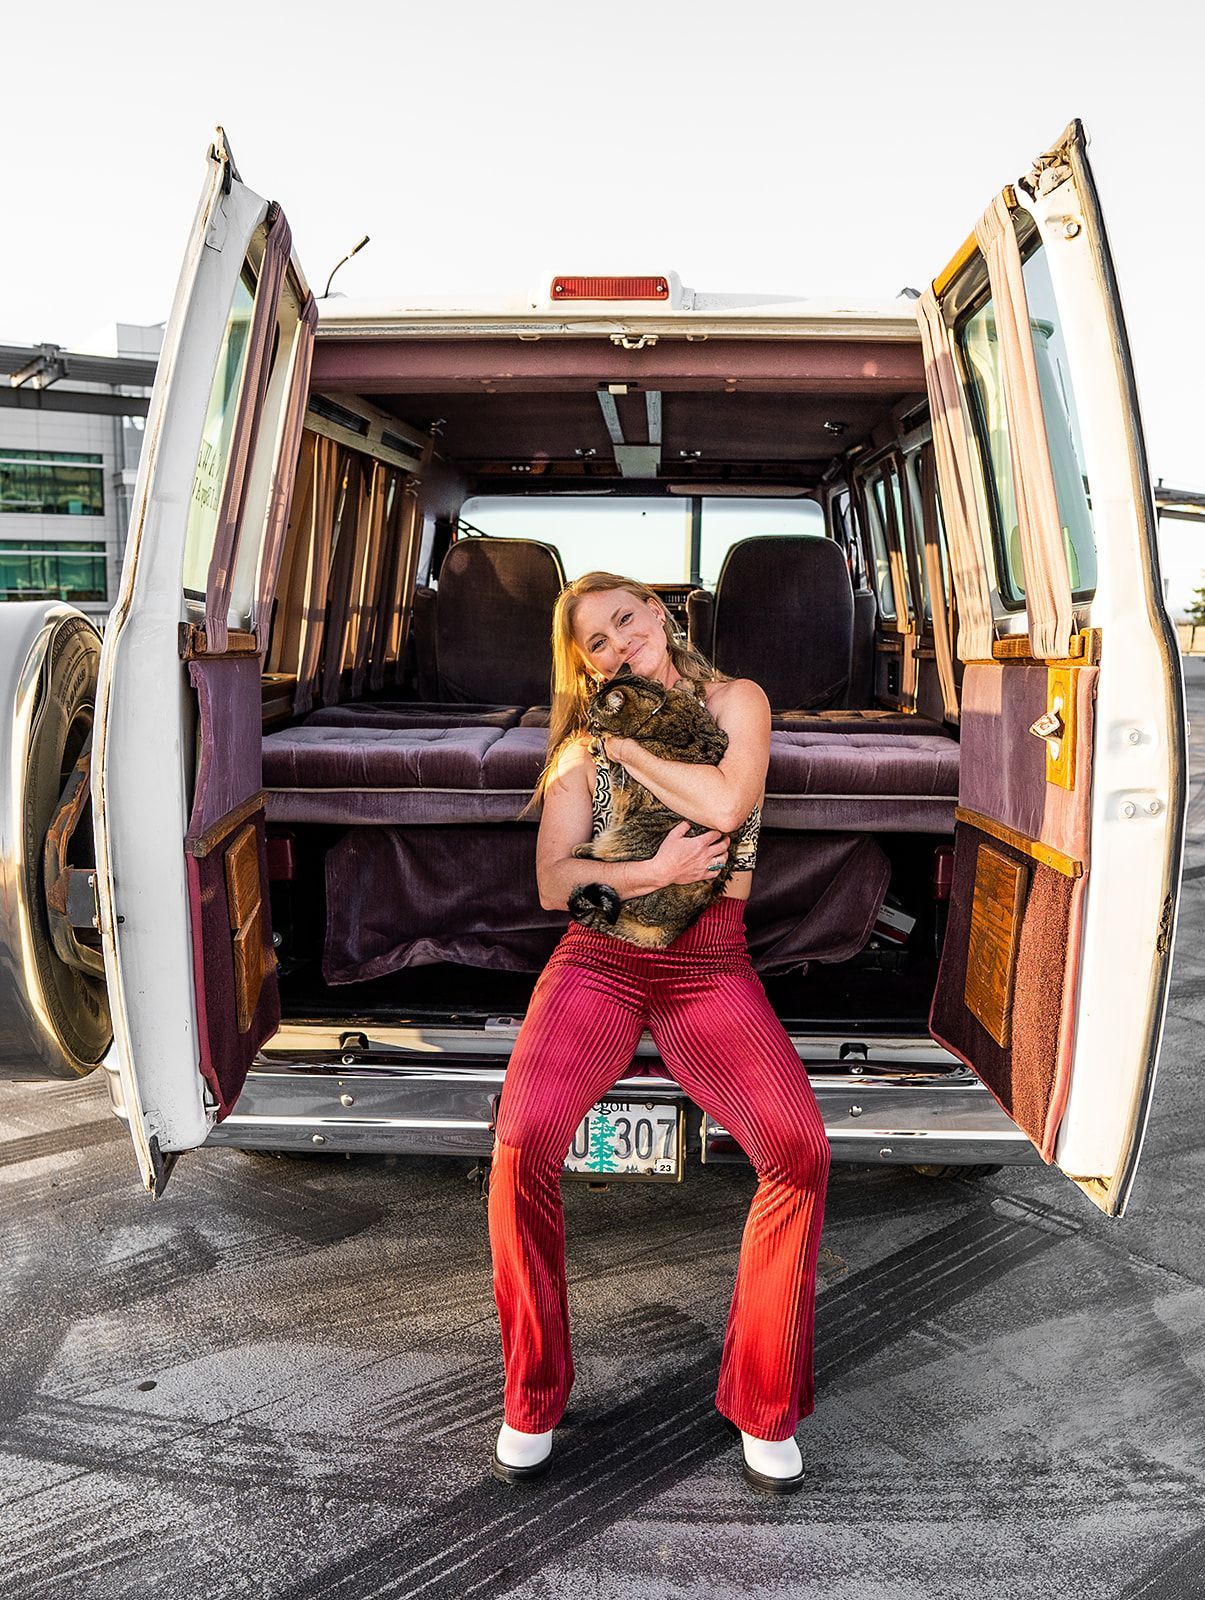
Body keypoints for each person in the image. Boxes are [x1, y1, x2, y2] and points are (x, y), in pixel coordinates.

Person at [487, 570, 831, 1495]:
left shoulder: (735, 701)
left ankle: (764, 1399)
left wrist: (624, 748)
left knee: (797, 1150)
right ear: (585, 667)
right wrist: (645, 871)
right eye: (593, 644)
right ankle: (532, 1394)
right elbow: (559, 886)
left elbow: (725, 806)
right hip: (598, 958)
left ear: (662, 615)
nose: (615, 645)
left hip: (711, 959)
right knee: (521, 1142)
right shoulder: (575, 752)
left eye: (624, 621)